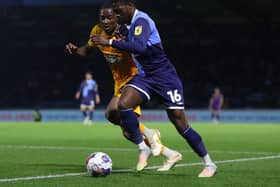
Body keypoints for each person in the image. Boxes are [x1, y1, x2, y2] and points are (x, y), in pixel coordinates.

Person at [92, 0, 217, 177]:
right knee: (124, 104)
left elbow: (140, 47)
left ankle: (209, 164)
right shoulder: (128, 24)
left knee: (179, 121)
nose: (117, 17)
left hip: (165, 77)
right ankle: (143, 148)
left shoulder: (142, 20)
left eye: (119, 14)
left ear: (129, 7)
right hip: (145, 77)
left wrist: (109, 42)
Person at [65, 3, 182, 171]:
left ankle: (148, 139)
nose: (105, 21)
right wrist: (76, 50)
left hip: (135, 79)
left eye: (109, 18)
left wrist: (116, 41)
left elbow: (139, 48)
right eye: (102, 18)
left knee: (112, 111)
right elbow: (87, 50)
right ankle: (169, 153)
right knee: (127, 130)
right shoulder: (96, 31)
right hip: (118, 82)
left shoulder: (125, 32)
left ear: (117, 18)